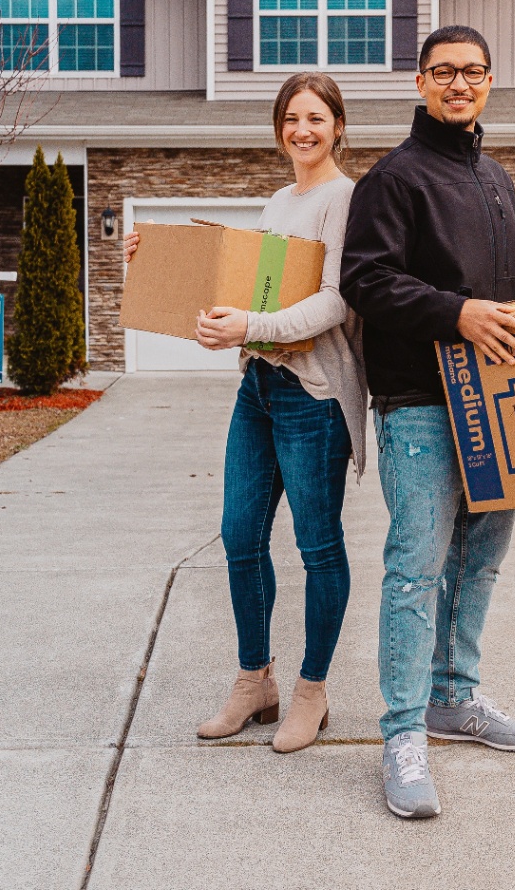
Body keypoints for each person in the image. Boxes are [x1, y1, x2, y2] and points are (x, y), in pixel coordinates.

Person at [341, 25, 515, 819]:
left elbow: (511, 283)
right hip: (420, 400)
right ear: (419, 81)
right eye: (444, 71)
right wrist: (457, 313)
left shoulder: (495, 179)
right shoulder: (394, 180)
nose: (460, 83)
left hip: (498, 403)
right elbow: (366, 281)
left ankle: (455, 696)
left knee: (481, 557)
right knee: (417, 565)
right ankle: (403, 732)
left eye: (474, 72)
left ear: (489, 83)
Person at [123, 72, 367, 754]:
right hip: (258, 388)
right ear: (279, 127)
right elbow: (240, 282)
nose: (303, 129)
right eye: (292, 117)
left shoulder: (347, 200)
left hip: (313, 396)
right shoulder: (277, 200)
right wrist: (160, 261)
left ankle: (312, 693)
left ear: (338, 126)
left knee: (318, 547)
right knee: (239, 536)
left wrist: (251, 322)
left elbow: (333, 303)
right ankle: (254, 681)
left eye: (316, 117)